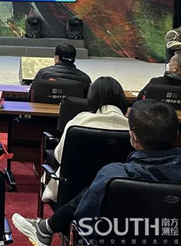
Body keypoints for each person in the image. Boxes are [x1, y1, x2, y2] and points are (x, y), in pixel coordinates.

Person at [13, 100, 181, 246]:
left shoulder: (113, 175)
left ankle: (45, 228)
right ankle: (45, 228)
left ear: (134, 137)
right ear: (176, 136)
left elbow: (84, 221)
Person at [41, 76, 129, 203]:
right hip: (118, 197)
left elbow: (60, 157)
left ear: (91, 98)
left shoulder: (80, 121)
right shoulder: (133, 128)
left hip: (73, 195)